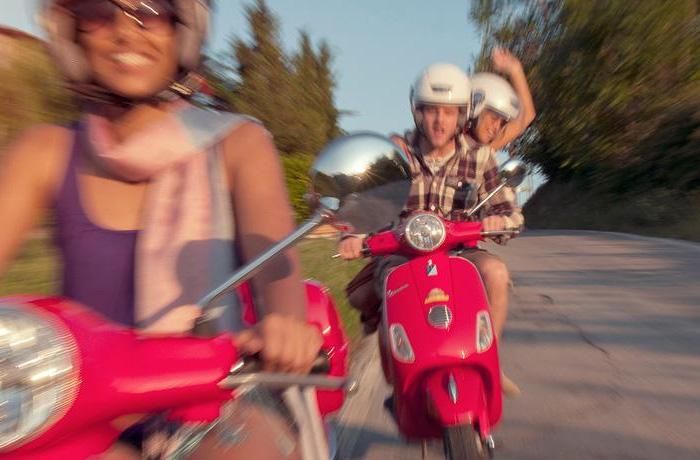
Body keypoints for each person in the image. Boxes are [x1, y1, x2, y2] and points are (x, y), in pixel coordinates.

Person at [0, 0, 321, 458]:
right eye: (97, 10)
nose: (126, 32)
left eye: (149, 9)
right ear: (73, 30)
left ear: (182, 29)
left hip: (211, 401)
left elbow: (277, 270)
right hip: (71, 410)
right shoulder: (45, 151)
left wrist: (286, 325)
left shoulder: (239, 144)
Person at [338, 62, 525, 395]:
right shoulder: (396, 152)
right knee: (394, 306)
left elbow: (508, 211)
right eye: (432, 111)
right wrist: (353, 234)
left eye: (450, 112)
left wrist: (499, 221)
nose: (440, 121)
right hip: (401, 255)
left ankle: (487, 360)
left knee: (495, 272)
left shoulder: (480, 157)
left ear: (462, 115)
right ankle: (403, 385)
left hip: (460, 250)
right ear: (417, 112)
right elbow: (363, 205)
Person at [467, 47, 536, 150]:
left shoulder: (482, 150)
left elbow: (527, 116)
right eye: (494, 118)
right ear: (475, 104)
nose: (497, 128)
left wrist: (515, 70)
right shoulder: (445, 139)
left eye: (503, 123)